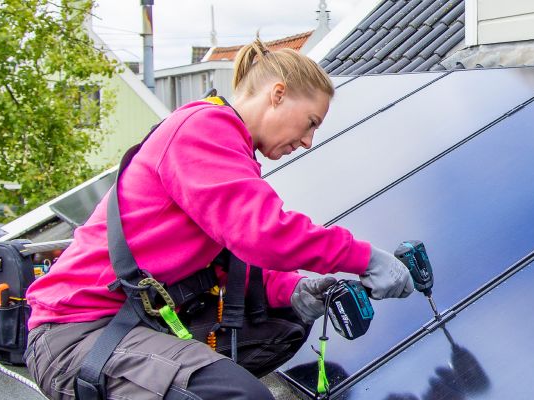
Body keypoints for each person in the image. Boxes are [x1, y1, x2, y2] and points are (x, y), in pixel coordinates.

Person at [23, 39, 413, 400]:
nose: (308, 140)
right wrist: (365, 257)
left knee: (287, 322)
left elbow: (232, 265)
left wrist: (293, 290)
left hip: (136, 323)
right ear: (277, 94)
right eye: (311, 122)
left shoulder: (229, 148)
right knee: (240, 397)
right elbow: (264, 233)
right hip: (79, 334)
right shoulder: (205, 130)